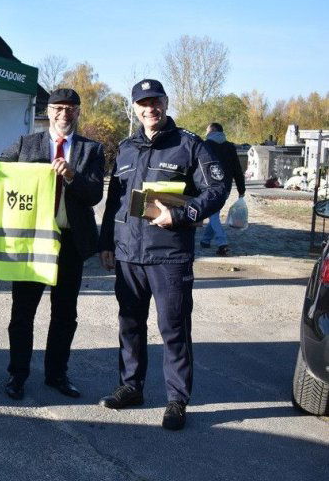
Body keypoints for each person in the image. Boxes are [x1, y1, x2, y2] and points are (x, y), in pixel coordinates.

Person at [98, 79, 227, 430]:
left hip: (169, 255)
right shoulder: (125, 149)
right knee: (129, 324)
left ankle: (176, 400)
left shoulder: (189, 145)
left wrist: (184, 213)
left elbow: (218, 188)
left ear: (166, 103)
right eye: (143, 103)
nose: (150, 108)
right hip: (129, 254)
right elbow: (115, 202)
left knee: (173, 328)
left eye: (155, 101)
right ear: (135, 108)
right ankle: (130, 386)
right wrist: (106, 243)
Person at [0, 88, 105, 400]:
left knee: (65, 313)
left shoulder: (92, 150)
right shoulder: (26, 143)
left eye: (70, 108)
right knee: (23, 312)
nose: (64, 114)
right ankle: (17, 374)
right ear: (48, 112)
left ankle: (57, 374)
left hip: (70, 241)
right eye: (58, 108)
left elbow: (94, 195)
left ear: (78, 112)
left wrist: (72, 175)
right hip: (32, 241)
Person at [200, 122, 245, 256]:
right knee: (214, 213)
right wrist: (241, 189)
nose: (206, 133)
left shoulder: (205, 145)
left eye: (207, 130)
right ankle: (205, 240)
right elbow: (237, 169)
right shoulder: (230, 147)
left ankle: (222, 243)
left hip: (210, 186)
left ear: (213, 130)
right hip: (226, 188)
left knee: (213, 215)